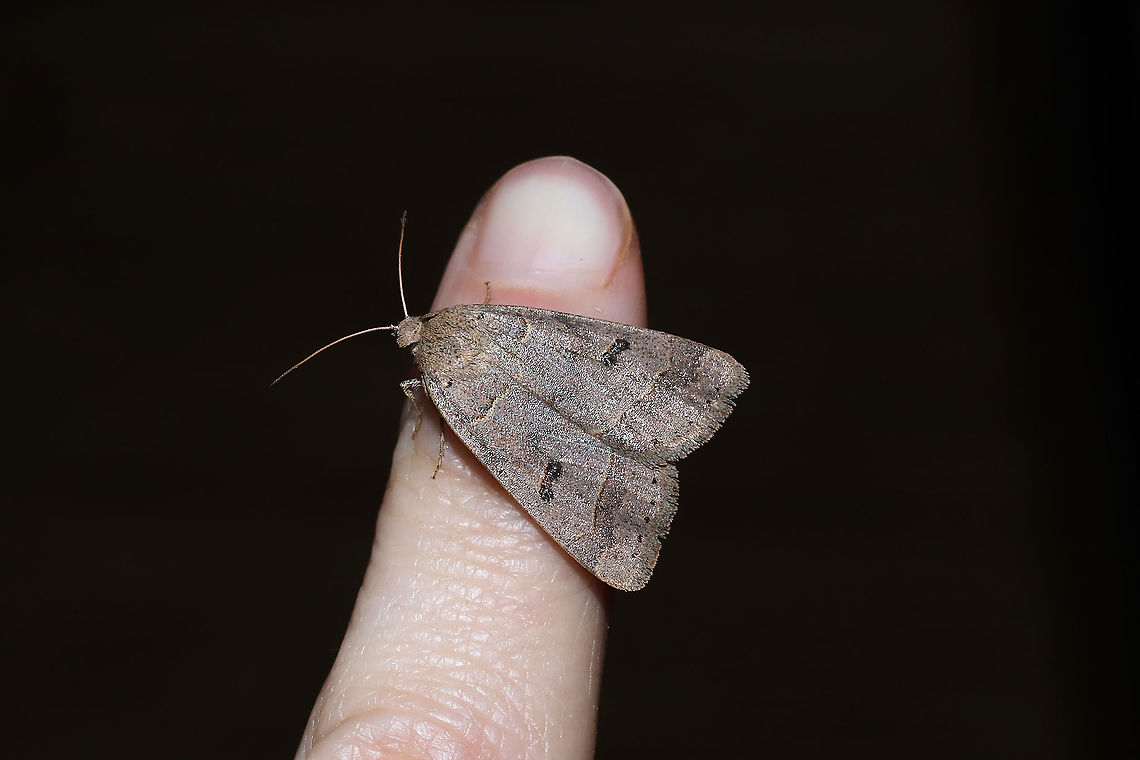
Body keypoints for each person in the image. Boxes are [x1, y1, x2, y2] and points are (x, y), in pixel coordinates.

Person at [294, 156, 645, 759]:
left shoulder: (431, 382)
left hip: (509, 412)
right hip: (538, 357)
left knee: (540, 455)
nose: (408, 333)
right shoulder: (456, 339)